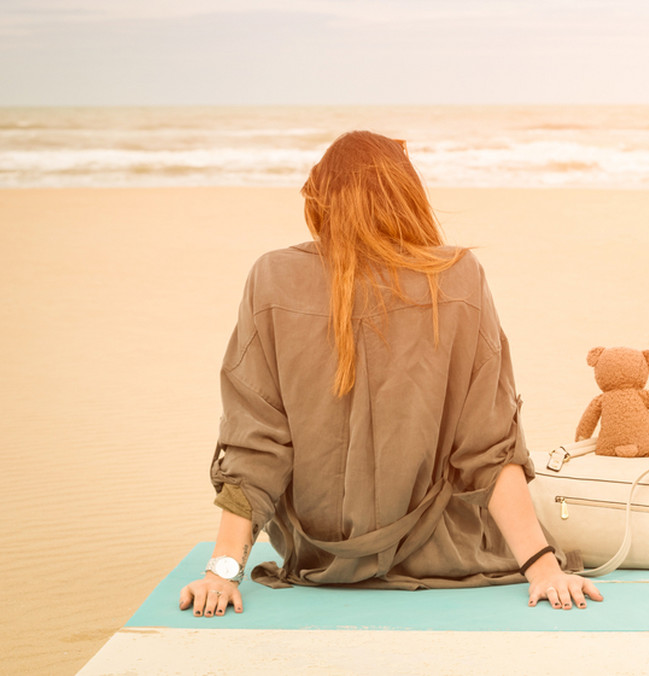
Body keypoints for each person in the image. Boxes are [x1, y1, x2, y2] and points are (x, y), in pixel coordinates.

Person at [179, 131, 601, 618]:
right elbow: (487, 444)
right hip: (444, 554)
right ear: (406, 193)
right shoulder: (458, 275)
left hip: (320, 558)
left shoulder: (271, 276)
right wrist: (542, 565)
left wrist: (222, 572)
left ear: (320, 198)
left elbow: (257, 444)